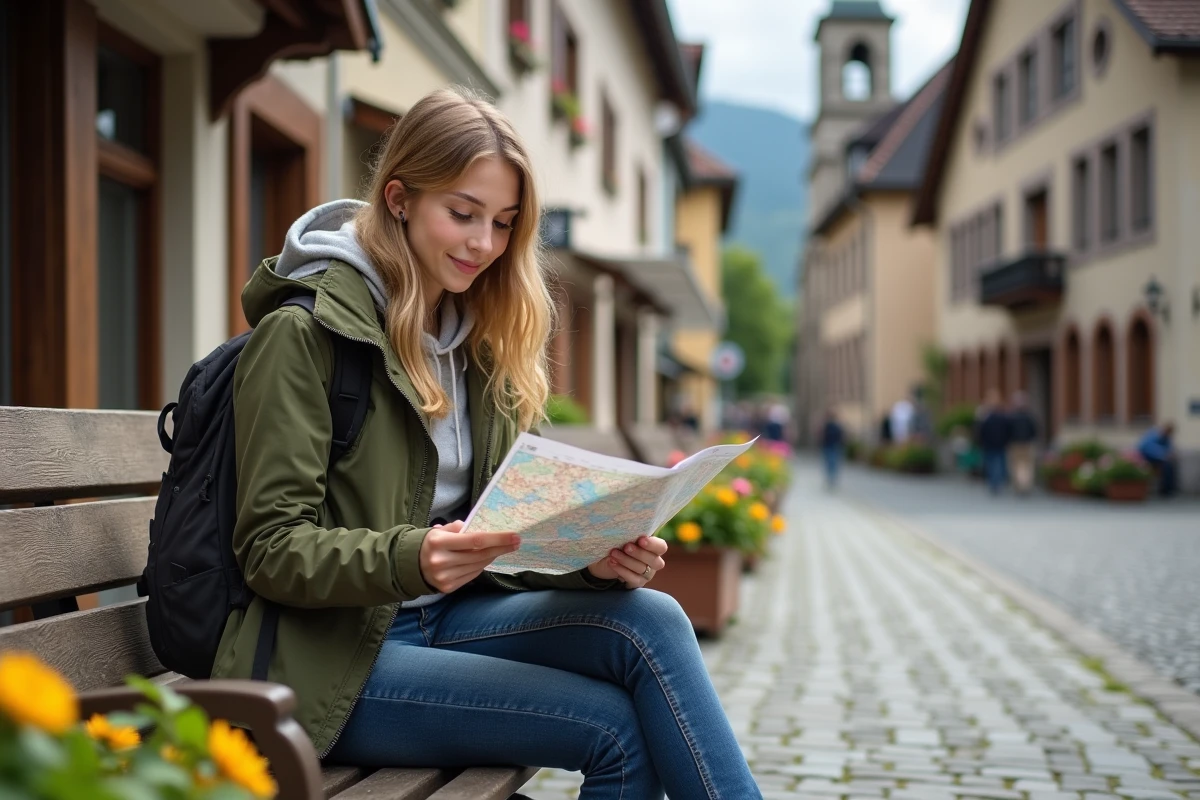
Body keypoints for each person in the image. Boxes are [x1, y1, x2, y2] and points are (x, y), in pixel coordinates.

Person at [212, 88, 760, 799]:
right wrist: (417, 556)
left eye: (503, 224)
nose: (484, 244)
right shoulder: (306, 333)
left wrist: (594, 559)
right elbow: (269, 550)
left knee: (649, 617)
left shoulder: (479, 339)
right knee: (617, 729)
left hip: (452, 618)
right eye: (462, 214)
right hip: (333, 660)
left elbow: (509, 534)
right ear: (400, 198)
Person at [976, 390, 1010, 496]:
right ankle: (997, 482)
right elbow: (1008, 430)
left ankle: (994, 482)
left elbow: (980, 430)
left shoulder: (986, 416)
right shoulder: (1002, 415)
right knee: (998, 463)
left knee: (992, 463)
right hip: (998, 443)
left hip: (990, 444)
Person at [1007, 391, 1039, 495]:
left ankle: (1020, 484)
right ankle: (1026, 484)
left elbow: (1008, 431)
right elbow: (1035, 430)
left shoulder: (1012, 417)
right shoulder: (1029, 416)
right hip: (1027, 443)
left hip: (1015, 443)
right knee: (1027, 465)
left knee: (1017, 465)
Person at [1138, 422, 1178, 497]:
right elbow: (1146, 447)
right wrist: (1164, 454)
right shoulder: (1153, 435)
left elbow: (1169, 449)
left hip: (1159, 460)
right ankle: (1165, 490)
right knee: (1167, 466)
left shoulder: (1166, 438)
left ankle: (1168, 489)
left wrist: (1170, 454)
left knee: (1169, 466)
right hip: (1146, 458)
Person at [820, 410, 845, 489]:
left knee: (830, 462)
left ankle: (831, 477)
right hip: (833, 446)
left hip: (830, 446)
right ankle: (832, 478)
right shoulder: (836, 426)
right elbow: (841, 437)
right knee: (832, 462)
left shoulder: (828, 426)